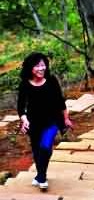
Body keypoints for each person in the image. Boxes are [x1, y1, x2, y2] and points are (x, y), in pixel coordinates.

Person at [17, 52, 73, 190]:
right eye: (37, 66)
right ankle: (40, 175)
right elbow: (20, 106)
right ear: (30, 68)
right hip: (34, 122)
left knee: (46, 147)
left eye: (43, 65)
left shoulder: (52, 80)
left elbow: (60, 101)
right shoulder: (25, 84)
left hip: (52, 121)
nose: (41, 68)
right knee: (37, 151)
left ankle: (41, 177)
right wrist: (24, 120)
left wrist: (66, 118)